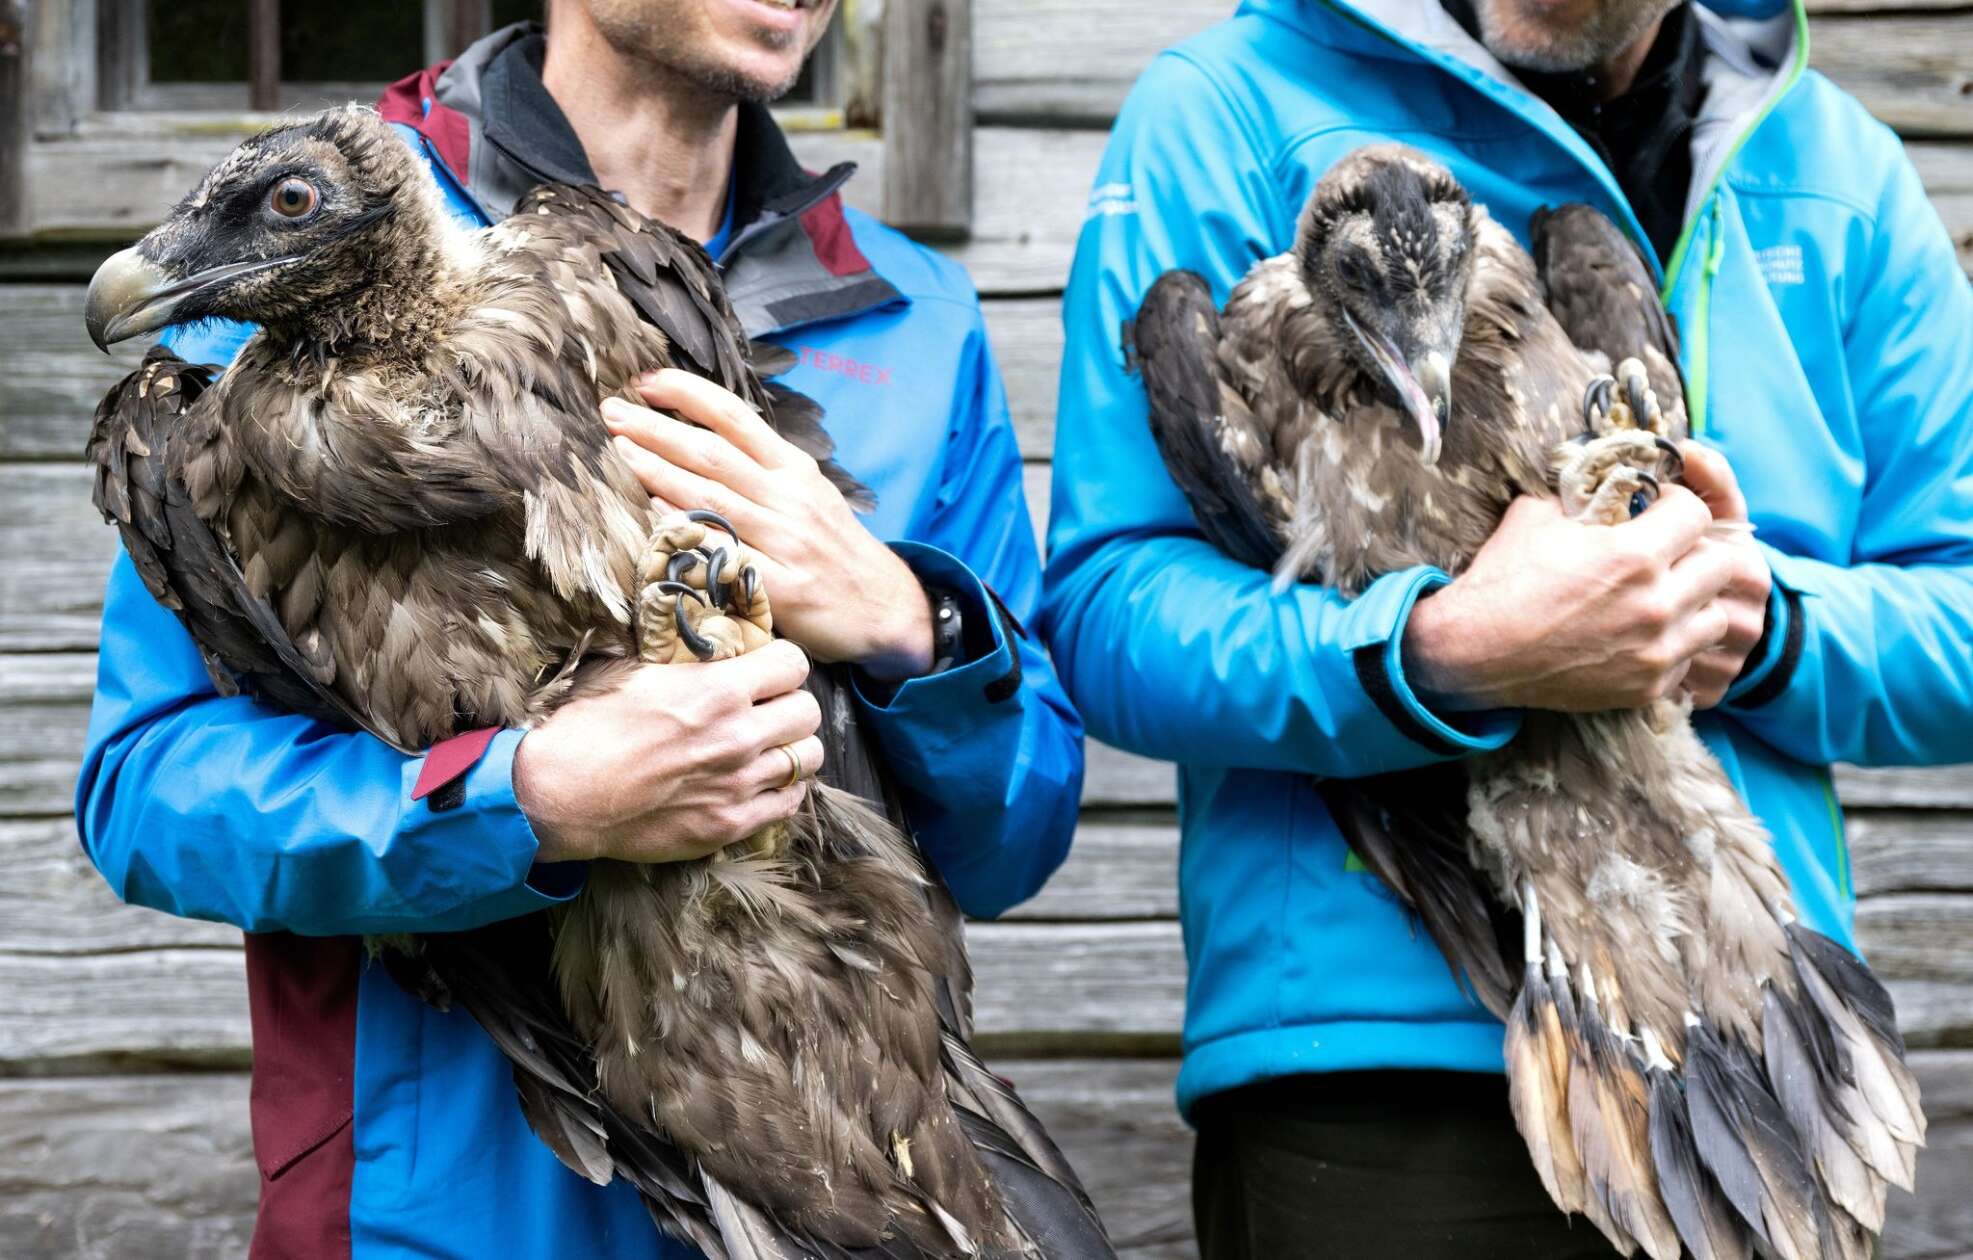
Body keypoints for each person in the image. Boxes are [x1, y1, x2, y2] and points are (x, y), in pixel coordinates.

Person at [75, 2, 1084, 1255]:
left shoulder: (911, 315)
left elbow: (1013, 839)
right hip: (438, 1201)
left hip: (808, 1141)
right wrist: (522, 800)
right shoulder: (301, 239)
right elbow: (148, 794)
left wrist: (903, 619)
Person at [1043, 0, 1973, 1254]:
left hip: (1739, 1024)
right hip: (1376, 1081)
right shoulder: (1226, 105)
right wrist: (1430, 650)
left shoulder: (1835, 168)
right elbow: (1110, 613)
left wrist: (1757, 624)